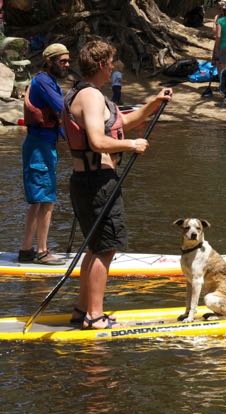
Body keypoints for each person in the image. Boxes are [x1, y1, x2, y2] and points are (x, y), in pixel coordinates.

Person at [62, 39, 172, 330]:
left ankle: (82, 310)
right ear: (100, 64)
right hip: (97, 183)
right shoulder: (92, 97)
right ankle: (95, 315)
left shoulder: (88, 94)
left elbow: (125, 120)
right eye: (111, 62)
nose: (114, 67)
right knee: (105, 249)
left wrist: (154, 103)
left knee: (95, 247)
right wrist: (131, 144)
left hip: (88, 182)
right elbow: (98, 142)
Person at [19, 43, 71, 265]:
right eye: (62, 61)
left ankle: (26, 250)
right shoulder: (42, 81)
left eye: (68, 60)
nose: (67, 64)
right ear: (49, 61)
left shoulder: (50, 82)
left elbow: (59, 120)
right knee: (47, 200)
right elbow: (63, 108)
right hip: (39, 147)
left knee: (38, 201)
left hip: (43, 146)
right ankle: (42, 251)